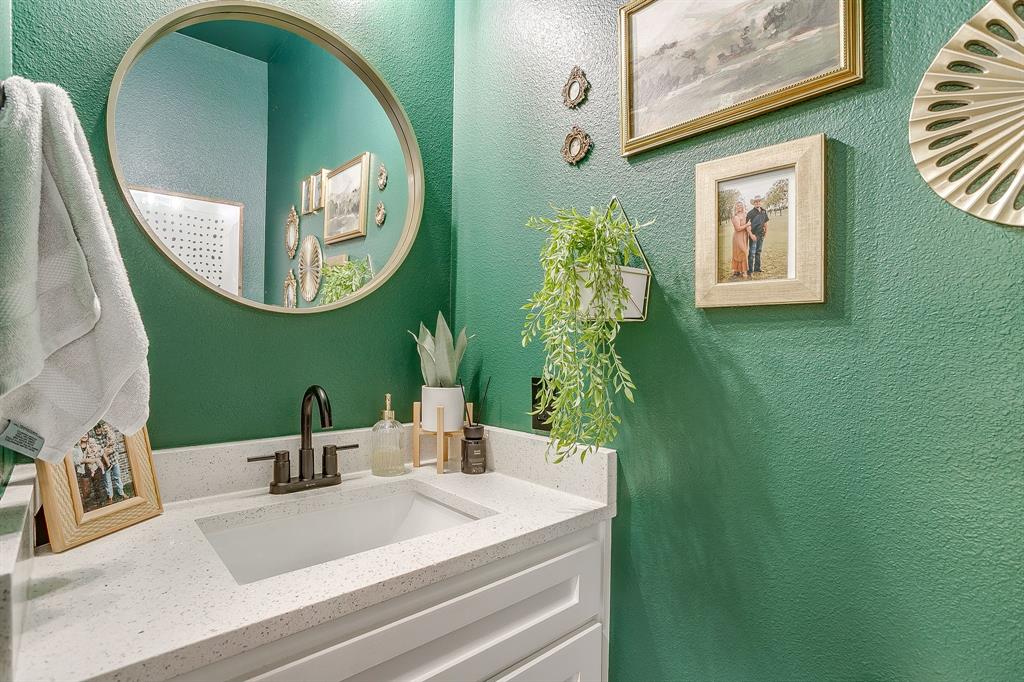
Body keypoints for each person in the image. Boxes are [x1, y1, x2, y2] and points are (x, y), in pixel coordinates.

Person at [729, 201, 755, 278]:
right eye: (738, 205)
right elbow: (737, 228)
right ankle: (743, 271)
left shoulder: (745, 215)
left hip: (745, 236)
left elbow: (749, 224)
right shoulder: (735, 216)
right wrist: (747, 224)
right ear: (735, 207)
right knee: (742, 252)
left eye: (740, 205)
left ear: (743, 206)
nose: (739, 206)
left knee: (742, 252)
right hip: (738, 237)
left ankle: (738, 271)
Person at [746, 195, 770, 275]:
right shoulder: (750, 213)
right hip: (753, 236)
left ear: (761, 202)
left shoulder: (764, 211)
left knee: (758, 252)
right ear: (754, 203)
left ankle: (757, 268)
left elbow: (765, 222)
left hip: (761, 235)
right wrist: (751, 235)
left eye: (759, 201)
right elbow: (748, 225)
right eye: (756, 202)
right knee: (752, 253)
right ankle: (750, 270)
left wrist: (766, 232)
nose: (757, 203)